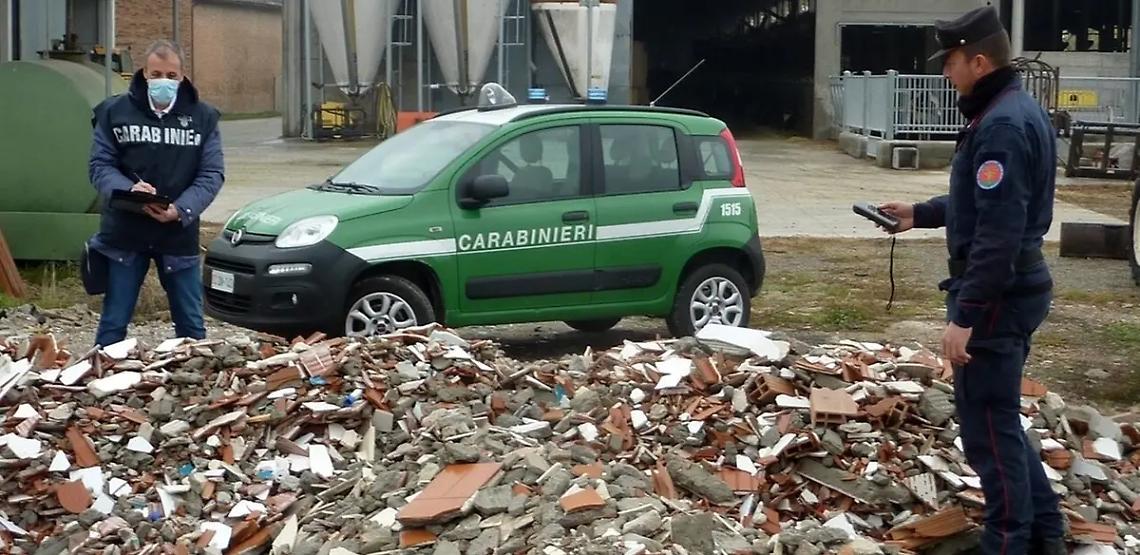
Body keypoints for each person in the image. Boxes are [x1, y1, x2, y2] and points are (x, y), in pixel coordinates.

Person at [879, 7, 1065, 555]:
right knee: (999, 419)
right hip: (1014, 288)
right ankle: (1045, 534)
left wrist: (966, 317)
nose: (945, 73)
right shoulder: (1011, 110)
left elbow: (998, 235)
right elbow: (982, 205)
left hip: (998, 297)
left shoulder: (1002, 126)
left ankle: (1008, 543)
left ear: (979, 62)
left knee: (987, 431)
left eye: (951, 62)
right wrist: (920, 213)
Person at [88, 39, 224, 347]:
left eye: (171, 76)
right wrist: (128, 190)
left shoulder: (203, 118)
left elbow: (212, 174)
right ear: (144, 74)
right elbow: (99, 165)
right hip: (125, 234)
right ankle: (103, 372)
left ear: (182, 75)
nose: (164, 82)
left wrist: (182, 209)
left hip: (178, 234)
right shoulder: (114, 112)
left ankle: (193, 376)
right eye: (156, 74)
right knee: (113, 325)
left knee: (192, 329)